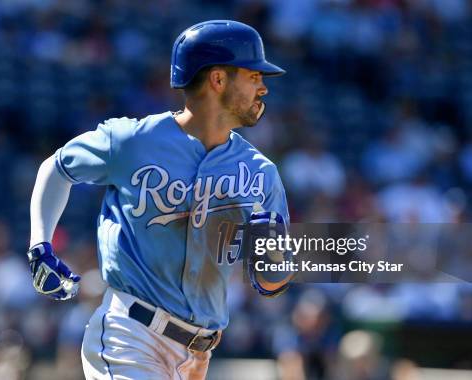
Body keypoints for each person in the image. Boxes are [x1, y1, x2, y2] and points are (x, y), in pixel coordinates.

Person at [27, 20, 290, 379]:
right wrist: (40, 244)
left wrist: (273, 259)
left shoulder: (261, 173)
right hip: (130, 335)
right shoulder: (132, 141)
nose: (263, 87)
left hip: (198, 357)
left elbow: (273, 280)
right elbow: (57, 168)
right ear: (217, 79)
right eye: (253, 76)